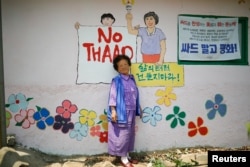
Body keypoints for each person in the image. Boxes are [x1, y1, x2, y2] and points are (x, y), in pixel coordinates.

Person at [107, 54, 142, 167]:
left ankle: (126, 155)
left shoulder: (132, 79)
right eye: (120, 66)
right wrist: (113, 111)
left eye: (125, 64)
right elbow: (113, 96)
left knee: (130, 135)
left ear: (129, 65)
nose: (123, 67)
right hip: (122, 112)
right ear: (117, 68)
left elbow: (135, 94)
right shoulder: (116, 80)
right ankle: (123, 158)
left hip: (131, 111)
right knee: (123, 135)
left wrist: (139, 107)